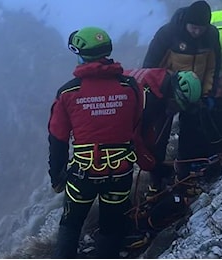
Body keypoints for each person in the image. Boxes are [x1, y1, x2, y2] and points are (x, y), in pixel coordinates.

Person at [47, 26, 144, 258]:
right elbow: (135, 123)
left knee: (71, 224)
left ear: (80, 54)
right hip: (120, 172)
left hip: (84, 174)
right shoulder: (130, 87)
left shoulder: (68, 93)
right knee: (112, 226)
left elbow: (57, 138)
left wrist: (57, 177)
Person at [142, 1, 222, 196]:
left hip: (194, 96)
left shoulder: (211, 35)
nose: (197, 32)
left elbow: (213, 66)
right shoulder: (168, 34)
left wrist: (207, 94)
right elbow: (150, 67)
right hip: (166, 95)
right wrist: (158, 95)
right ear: (186, 22)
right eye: (193, 27)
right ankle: (155, 182)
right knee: (159, 139)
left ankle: (184, 174)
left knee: (191, 134)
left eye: (201, 28)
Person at [122, 68, 204, 247]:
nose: (173, 111)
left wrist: (154, 159)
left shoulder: (161, 85)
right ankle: (118, 224)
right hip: (113, 121)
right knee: (120, 168)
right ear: (173, 95)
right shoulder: (147, 99)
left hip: (124, 112)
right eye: (175, 106)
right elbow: (134, 136)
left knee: (151, 156)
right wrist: (149, 163)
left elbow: (149, 131)